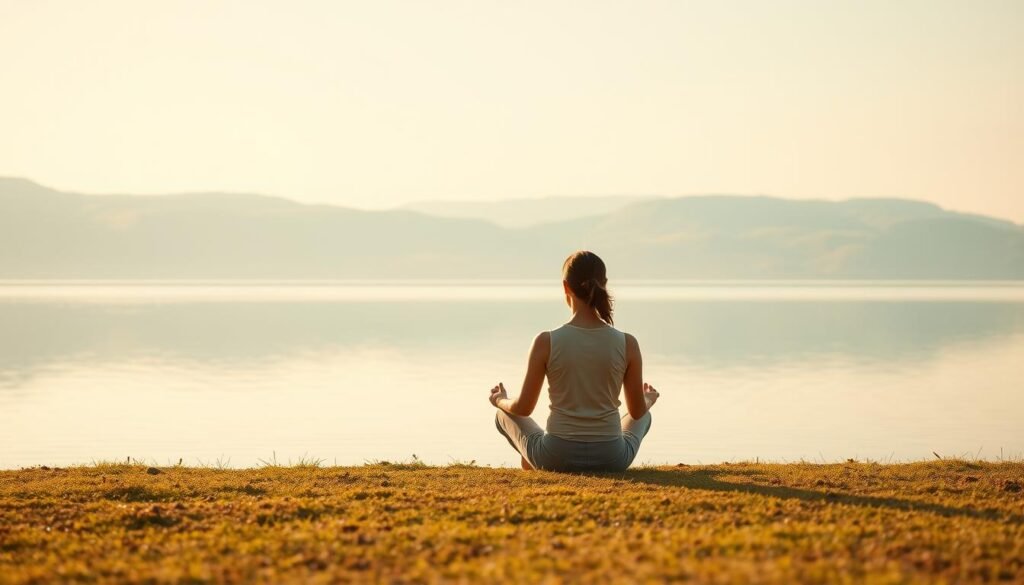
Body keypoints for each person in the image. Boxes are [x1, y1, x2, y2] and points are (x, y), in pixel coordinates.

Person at [489, 250, 659, 472]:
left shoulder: (546, 341)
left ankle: (530, 460)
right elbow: (636, 412)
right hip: (611, 458)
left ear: (565, 287)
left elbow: (523, 408)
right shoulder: (628, 343)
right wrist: (648, 399)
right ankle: (532, 459)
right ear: (604, 284)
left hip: (555, 458)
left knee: (503, 413)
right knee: (645, 415)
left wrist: (500, 400)